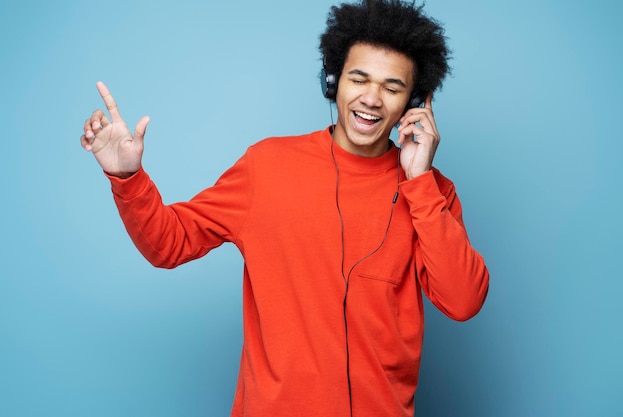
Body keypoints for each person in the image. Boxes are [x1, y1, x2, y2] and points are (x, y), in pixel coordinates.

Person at [80, 0, 489, 416]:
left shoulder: (431, 193)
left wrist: (419, 182)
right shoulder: (267, 167)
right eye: (358, 78)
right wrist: (128, 179)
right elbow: (168, 243)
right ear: (334, 81)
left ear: (414, 102)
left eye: (392, 87)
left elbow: (463, 301)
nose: (372, 98)